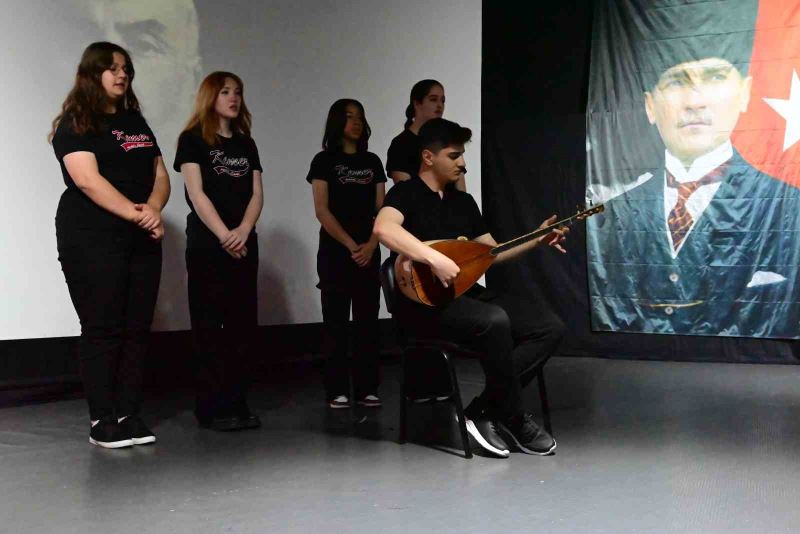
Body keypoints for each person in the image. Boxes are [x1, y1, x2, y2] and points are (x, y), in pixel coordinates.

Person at [587, 5, 800, 338]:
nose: (695, 101)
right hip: (635, 362)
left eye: (715, 77)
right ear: (650, 106)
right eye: (676, 81)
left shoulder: (789, 207)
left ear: (745, 93)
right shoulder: (614, 215)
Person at [374, 118, 566, 458]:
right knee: (494, 320)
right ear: (428, 157)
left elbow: (493, 253)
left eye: (462, 155)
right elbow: (383, 229)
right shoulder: (404, 193)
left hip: (464, 296)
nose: (462, 163)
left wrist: (537, 238)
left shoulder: (463, 202)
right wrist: (434, 258)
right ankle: (513, 417)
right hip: (423, 306)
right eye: (454, 155)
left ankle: (484, 410)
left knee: (548, 326)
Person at [50, 41, 170, 448]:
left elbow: (159, 173)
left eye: (126, 69)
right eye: (113, 68)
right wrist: (139, 215)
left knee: (137, 326)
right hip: (91, 234)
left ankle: (128, 413)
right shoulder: (76, 123)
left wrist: (154, 208)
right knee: (102, 325)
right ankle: (102, 418)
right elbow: (87, 180)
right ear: (93, 74)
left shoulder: (135, 122)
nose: (122, 75)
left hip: (140, 233)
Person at [174, 72, 264, 431]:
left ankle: (238, 401)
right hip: (207, 245)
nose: (233, 98)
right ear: (210, 96)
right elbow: (196, 194)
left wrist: (243, 231)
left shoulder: (246, 144)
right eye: (225, 91)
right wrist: (225, 235)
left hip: (243, 243)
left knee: (242, 326)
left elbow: (256, 193)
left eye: (238, 92)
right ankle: (210, 407)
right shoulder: (192, 139)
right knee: (209, 327)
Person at [307, 99, 386, 409]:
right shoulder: (323, 161)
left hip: (370, 249)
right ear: (337, 122)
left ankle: (368, 388)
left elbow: (383, 210)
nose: (356, 122)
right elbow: (322, 210)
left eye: (360, 116)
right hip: (335, 252)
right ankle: (336, 389)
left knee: (368, 322)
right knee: (336, 322)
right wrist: (352, 245)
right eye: (349, 116)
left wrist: (371, 244)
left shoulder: (373, 161)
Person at [386, 79, 466, 191]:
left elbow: (461, 188)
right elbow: (405, 192)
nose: (439, 105)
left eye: (442, 101)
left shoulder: (449, 137)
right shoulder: (401, 144)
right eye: (433, 99)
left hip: (451, 201)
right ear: (417, 103)